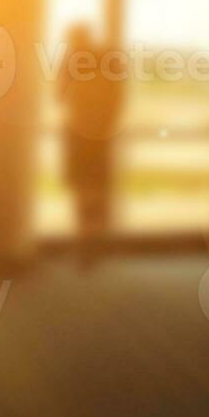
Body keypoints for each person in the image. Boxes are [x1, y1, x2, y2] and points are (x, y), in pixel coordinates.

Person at [58, 23, 126, 265]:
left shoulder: (70, 61)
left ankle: (85, 242)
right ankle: (97, 240)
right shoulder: (109, 60)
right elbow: (118, 95)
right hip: (102, 133)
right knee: (98, 185)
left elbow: (58, 95)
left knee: (82, 187)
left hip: (78, 130)